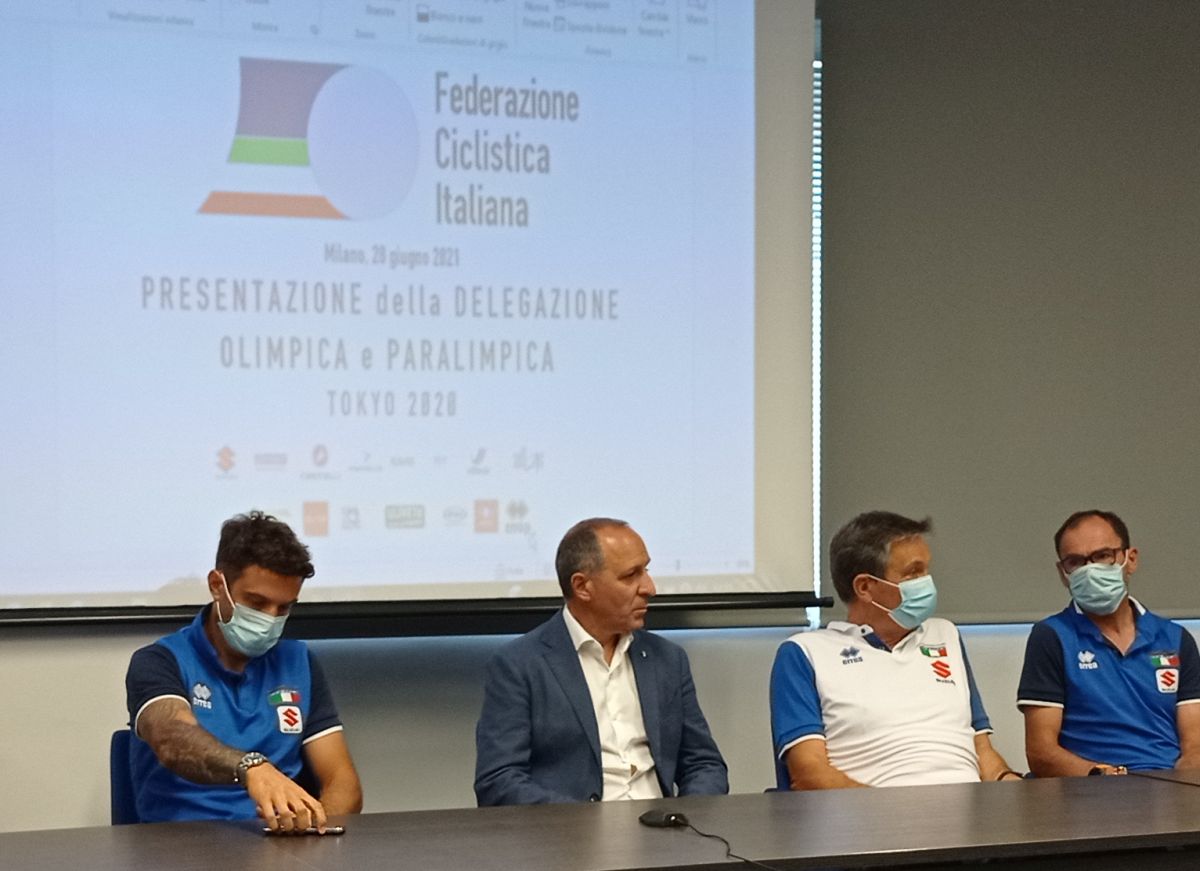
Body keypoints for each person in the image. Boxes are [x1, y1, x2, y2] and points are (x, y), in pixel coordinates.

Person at [124, 511, 363, 828]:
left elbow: (342, 782)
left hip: (275, 841)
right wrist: (251, 768)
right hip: (181, 841)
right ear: (217, 585)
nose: (270, 618)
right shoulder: (159, 661)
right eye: (256, 603)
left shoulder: (299, 662)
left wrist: (314, 828)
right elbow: (171, 739)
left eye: (284, 607)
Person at [474, 518, 728, 805]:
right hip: (571, 829)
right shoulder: (519, 665)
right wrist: (586, 824)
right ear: (582, 586)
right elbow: (499, 781)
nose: (650, 588)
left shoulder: (667, 658)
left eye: (646, 570)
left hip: (662, 827)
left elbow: (704, 764)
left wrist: (685, 818)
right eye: (631, 575)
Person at [770, 510, 1022, 789]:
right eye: (914, 572)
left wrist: (1014, 788)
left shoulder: (945, 635)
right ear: (865, 587)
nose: (927, 582)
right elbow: (809, 773)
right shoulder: (805, 653)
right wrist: (893, 812)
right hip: (872, 811)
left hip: (971, 809)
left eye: (926, 570)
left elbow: (982, 750)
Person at [1018, 509, 1200, 775]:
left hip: (1168, 782)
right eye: (1075, 562)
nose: (1090, 570)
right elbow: (1041, 753)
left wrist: (1183, 783)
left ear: (1130, 559)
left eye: (1103, 556)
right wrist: (1104, 776)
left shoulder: (1175, 638)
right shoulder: (1052, 636)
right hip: (1091, 786)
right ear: (1062, 572)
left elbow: (1195, 744)